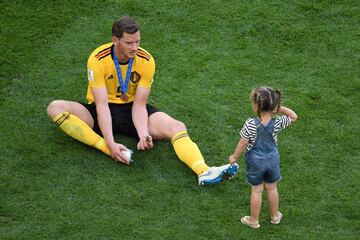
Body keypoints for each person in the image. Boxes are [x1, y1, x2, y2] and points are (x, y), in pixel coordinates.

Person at [46, 16, 238, 186]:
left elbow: (139, 104)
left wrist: (143, 134)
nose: (135, 47)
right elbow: (102, 104)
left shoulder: (146, 60)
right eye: (129, 43)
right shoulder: (97, 59)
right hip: (99, 110)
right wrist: (110, 144)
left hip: (131, 110)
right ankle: (103, 146)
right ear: (115, 40)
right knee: (55, 108)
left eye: (137, 41)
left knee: (177, 127)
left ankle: (203, 171)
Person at [228, 86, 297, 228]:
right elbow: (293, 116)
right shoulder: (277, 122)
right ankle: (275, 216)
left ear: (256, 106)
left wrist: (234, 157)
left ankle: (254, 220)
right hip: (273, 160)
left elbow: (242, 143)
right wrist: (279, 108)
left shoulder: (250, 124)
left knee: (257, 190)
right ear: (273, 107)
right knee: (272, 188)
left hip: (256, 162)